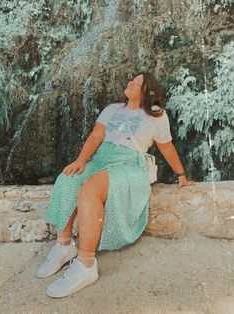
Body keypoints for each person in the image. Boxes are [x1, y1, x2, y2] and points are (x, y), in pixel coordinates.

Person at [36, 72, 194, 298]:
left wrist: (181, 174)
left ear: (148, 92)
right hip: (100, 159)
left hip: (129, 164)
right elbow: (96, 136)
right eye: (132, 79)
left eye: (138, 82)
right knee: (67, 179)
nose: (131, 82)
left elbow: (166, 147)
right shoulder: (111, 109)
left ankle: (86, 265)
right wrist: (81, 161)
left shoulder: (157, 115)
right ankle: (64, 246)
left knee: (90, 190)